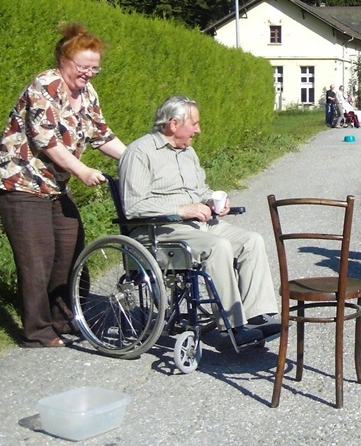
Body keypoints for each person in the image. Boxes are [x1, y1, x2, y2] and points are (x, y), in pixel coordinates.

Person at [118, 95, 280, 349]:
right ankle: (231, 327)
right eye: (194, 123)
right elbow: (133, 206)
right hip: (158, 231)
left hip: (197, 225)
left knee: (252, 240)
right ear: (173, 124)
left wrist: (212, 200)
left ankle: (257, 315)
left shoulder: (188, 152)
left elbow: (199, 189)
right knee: (218, 246)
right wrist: (182, 209)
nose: (198, 129)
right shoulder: (140, 152)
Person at [0, 23, 126, 348]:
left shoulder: (87, 94)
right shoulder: (44, 86)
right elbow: (47, 141)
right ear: (64, 60)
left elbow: (102, 135)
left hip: (56, 187)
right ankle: (36, 331)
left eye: (94, 68)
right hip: (22, 184)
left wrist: (136, 159)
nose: (89, 74)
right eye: (83, 67)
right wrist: (82, 170)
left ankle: (64, 318)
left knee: (69, 248)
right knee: (38, 257)